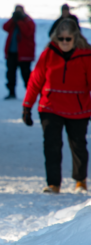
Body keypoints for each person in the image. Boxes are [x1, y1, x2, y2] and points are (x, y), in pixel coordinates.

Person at [22, 18, 91, 194]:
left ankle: (80, 181)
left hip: (78, 109)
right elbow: (35, 80)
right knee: (51, 146)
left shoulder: (86, 55)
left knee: (79, 147)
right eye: (61, 39)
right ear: (56, 38)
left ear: (75, 38)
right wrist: (27, 106)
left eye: (68, 39)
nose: (64, 43)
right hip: (50, 107)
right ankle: (53, 184)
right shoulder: (48, 54)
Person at [3, 5, 35, 100]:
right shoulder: (13, 21)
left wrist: (20, 21)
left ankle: (30, 93)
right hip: (12, 52)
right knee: (10, 74)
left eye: (19, 11)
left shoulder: (28, 21)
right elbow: (5, 27)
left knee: (26, 74)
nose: (18, 13)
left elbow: (28, 32)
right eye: (16, 11)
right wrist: (13, 19)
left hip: (24, 54)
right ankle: (11, 92)